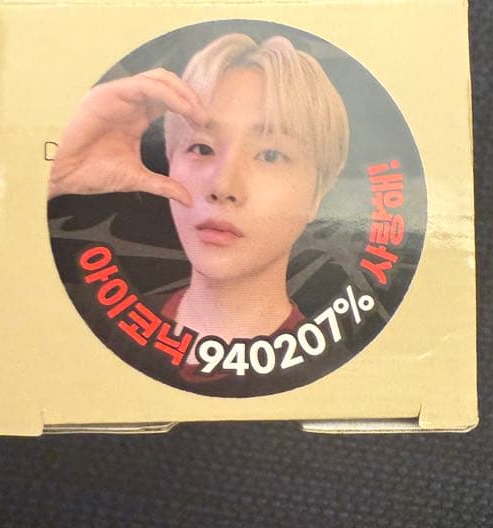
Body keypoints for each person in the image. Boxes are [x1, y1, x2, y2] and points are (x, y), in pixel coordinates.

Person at [49, 33, 349, 356]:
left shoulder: (346, 372)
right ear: (170, 162)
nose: (223, 187)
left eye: (271, 155)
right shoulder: (85, 319)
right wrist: (57, 173)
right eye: (202, 148)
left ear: (318, 194)